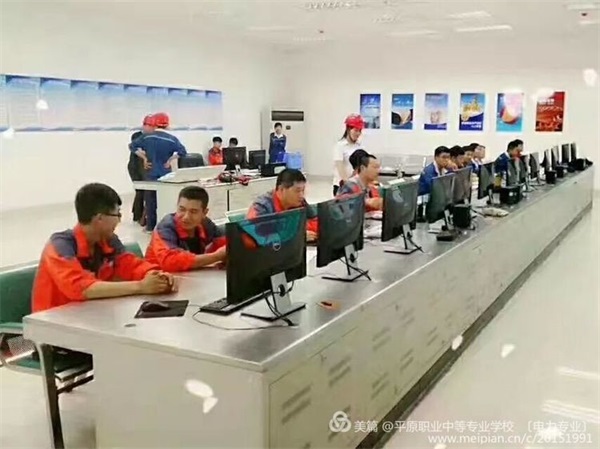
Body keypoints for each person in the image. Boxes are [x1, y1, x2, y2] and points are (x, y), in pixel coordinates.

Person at [31, 183, 176, 313]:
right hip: (53, 324)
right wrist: (140, 286)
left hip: (91, 314)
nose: (119, 220)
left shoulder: (108, 240)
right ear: (99, 218)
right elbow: (80, 288)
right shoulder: (60, 245)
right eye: (117, 214)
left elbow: (131, 265)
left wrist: (157, 275)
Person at [129, 112, 187, 232]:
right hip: (165, 173)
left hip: (151, 172)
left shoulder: (147, 137)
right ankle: (165, 227)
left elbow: (132, 146)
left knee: (150, 201)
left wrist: (144, 158)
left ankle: (150, 227)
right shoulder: (172, 139)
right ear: (167, 125)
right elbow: (183, 152)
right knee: (164, 200)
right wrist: (170, 160)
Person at [146, 186, 227, 272]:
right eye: (182, 209)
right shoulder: (165, 228)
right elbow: (170, 261)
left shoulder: (205, 224)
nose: (186, 217)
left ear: (204, 213)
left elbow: (227, 242)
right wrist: (216, 256)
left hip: (191, 276)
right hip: (158, 276)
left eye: (193, 211)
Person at [247, 168, 318, 241]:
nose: (301, 195)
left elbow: (316, 223)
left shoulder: (300, 202)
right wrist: (297, 235)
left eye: (303, 190)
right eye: (297, 191)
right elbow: (255, 238)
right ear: (281, 189)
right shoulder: (261, 207)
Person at [128, 114, 156, 225]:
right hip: (135, 168)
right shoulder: (137, 136)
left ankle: (139, 215)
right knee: (140, 191)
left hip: (144, 168)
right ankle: (138, 216)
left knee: (144, 192)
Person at [333, 114, 365, 196]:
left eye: (360, 131)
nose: (358, 133)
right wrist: (348, 184)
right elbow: (339, 167)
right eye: (356, 130)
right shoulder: (340, 146)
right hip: (342, 186)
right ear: (348, 129)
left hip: (356, 186)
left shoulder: (359, 146)